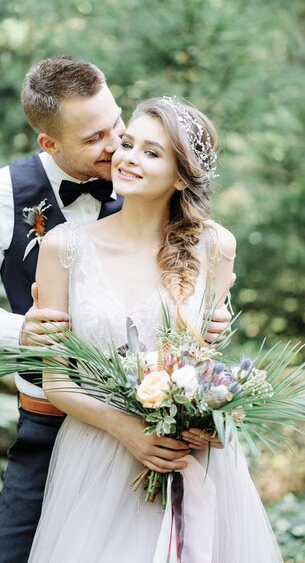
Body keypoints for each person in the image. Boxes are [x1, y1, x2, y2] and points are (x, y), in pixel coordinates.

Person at [0, 57, 232, 562]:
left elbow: (193, 274)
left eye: (115, 122)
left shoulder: (143, 176)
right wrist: (26, 331)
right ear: (49, 144)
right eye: (95, 137)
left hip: (160, 426)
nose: (117, 144)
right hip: (51, 417)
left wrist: (215, 319)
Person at [28, 96, 283, 562]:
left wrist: (209, 416)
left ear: (182, 175)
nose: (128, 158)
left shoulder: (214, 247)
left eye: (152, 152)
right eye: (128, 144)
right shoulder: (63, 247)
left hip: (189, 457)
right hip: (98, 455)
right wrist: (130, 431)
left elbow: (206, 363)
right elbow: (57, 380)